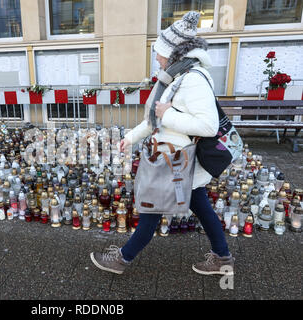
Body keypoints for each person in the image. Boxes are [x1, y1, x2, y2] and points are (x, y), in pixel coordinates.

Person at [90, 11, 235, 276]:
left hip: (177, 163)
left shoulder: (192, 80)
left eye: (159, 52)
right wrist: (130, 137)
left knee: (150, 210)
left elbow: (208, 125)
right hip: (177, 162)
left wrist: (168, 113)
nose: (156, 57)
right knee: (201, 208)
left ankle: (122, 259)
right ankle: (222, 258)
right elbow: (155, 118)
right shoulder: (175, 77)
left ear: (174, 54)